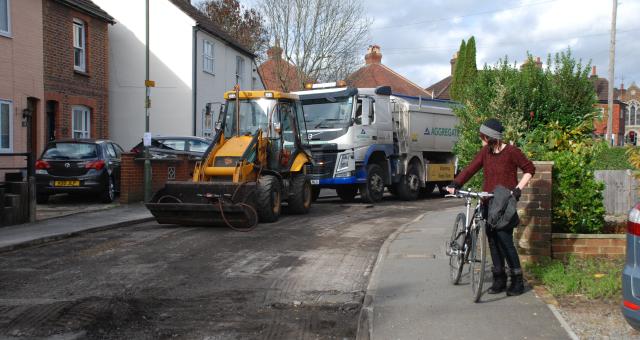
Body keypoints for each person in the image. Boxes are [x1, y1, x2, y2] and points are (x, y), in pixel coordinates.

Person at [447, 118, 535, 296]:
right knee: (493, 241)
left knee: (505, 241)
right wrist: (456, 183)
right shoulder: (485, 152)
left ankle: (517, 281)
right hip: (488, 202)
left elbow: (529, 169)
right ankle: (499, 279)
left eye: (483, 136)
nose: (481, 139)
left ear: (491, 137)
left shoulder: (511, 152)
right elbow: (471, 169)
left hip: (504, 204)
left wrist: (518, 189)